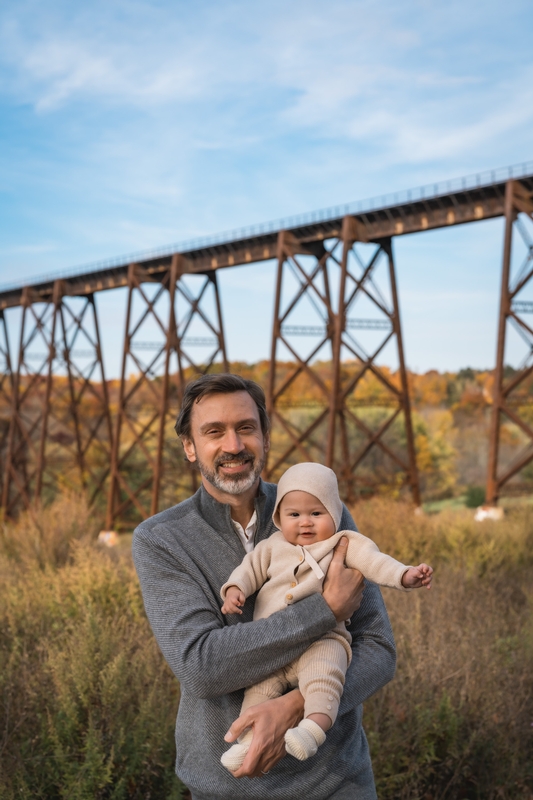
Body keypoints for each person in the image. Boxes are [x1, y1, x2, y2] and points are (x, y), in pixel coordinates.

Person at [132, 373, 397, 800]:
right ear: (189, 446)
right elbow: (201, 666)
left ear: (265, 438)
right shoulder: (161, 539)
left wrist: (296, 707)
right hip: (226, 788)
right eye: (213, 432)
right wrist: (325, 610)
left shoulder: (320, 511)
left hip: (335, 782)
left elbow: (379, 647)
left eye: (246, 428)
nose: (233, 445)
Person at [219, 462, 433, 771]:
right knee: (258, 692)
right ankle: (245, 744)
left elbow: (376, 563)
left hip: (324, 639)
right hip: (273, 647)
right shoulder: (271, 546)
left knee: (324, 680)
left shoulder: (343, 544)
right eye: (294, 515)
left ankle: (312, 731)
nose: (305, 523)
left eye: (316, 514)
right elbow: (248, 570)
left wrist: (404, 575)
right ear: (280, 517)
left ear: (334, 513)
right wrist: (235, 589)